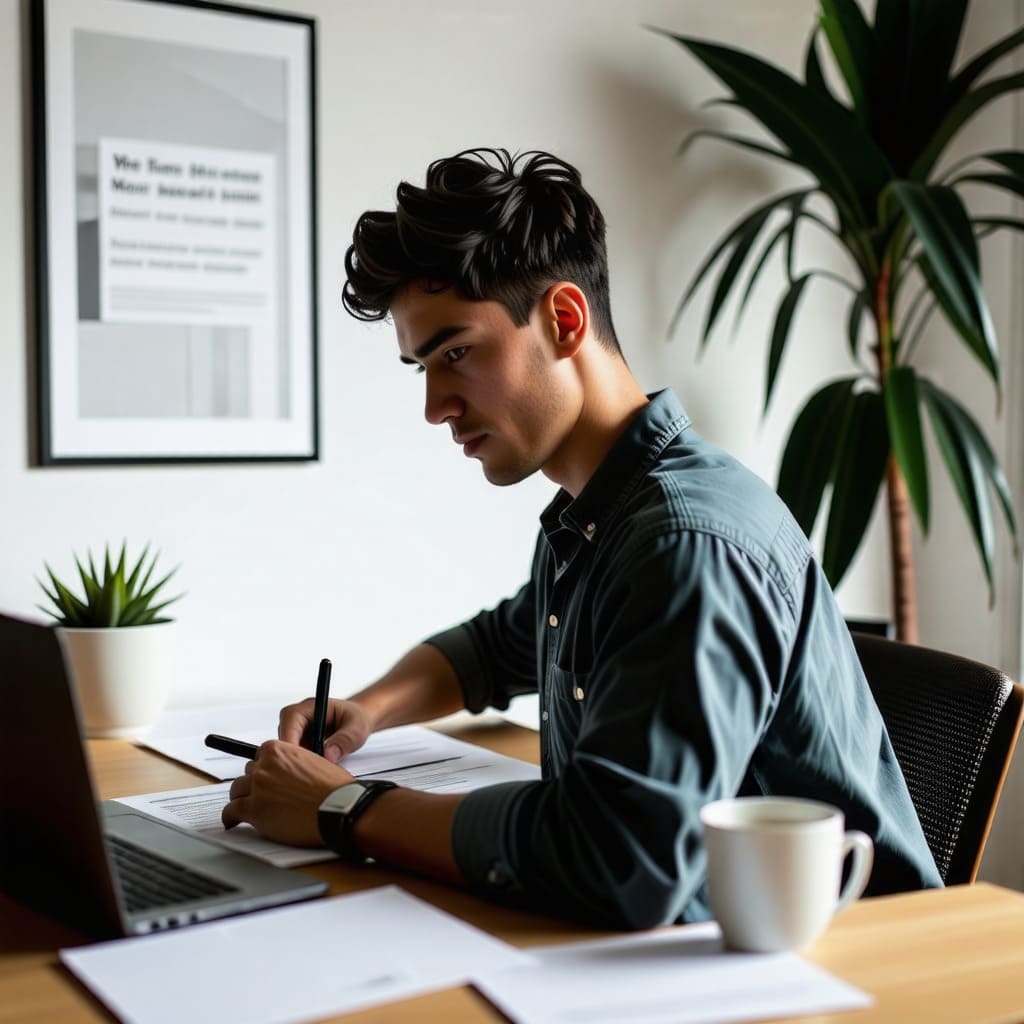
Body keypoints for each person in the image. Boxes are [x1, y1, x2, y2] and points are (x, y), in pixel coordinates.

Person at [222, 148, 941, 929]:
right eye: (420, 366)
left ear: (565, 321)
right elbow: (503, 643)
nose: (435, 405)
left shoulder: (683, 541)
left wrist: (348, 809)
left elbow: (624, 857)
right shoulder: (601, 510)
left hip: (846, 972)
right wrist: (365, 708)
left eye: (456, 353)